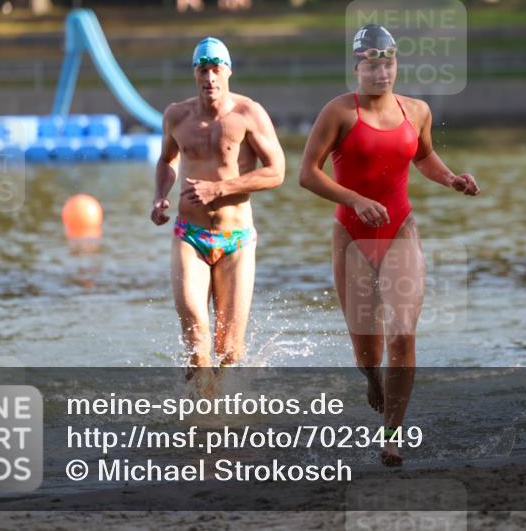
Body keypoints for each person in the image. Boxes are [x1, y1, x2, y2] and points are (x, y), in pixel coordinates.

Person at [299, 24, 480, 466]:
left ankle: (392, 436)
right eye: (373, 65)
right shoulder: (339, 112)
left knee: (401, 333)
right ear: (357, 67)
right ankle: (373, 379)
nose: (382, 73)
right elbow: (308, 173)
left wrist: (450, 177)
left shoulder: (416, 110)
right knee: (367, 352)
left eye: (389, 64)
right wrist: (355, 200)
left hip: (400, 229)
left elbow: (423, 156)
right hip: (352, 238)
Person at [151, 37, 285, 374]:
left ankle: (225, 417)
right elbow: (166, 161)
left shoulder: (249, 113)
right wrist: (159, 194)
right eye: (203, 69)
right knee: (197, 341)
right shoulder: (176, 116)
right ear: (194, 74)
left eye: (216, 69)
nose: (209, 77)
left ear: (228, 72)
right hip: (189, 235)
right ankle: (202, 420)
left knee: (230, 352)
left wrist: (220, 189)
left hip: (236, 239)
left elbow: (277, 172)